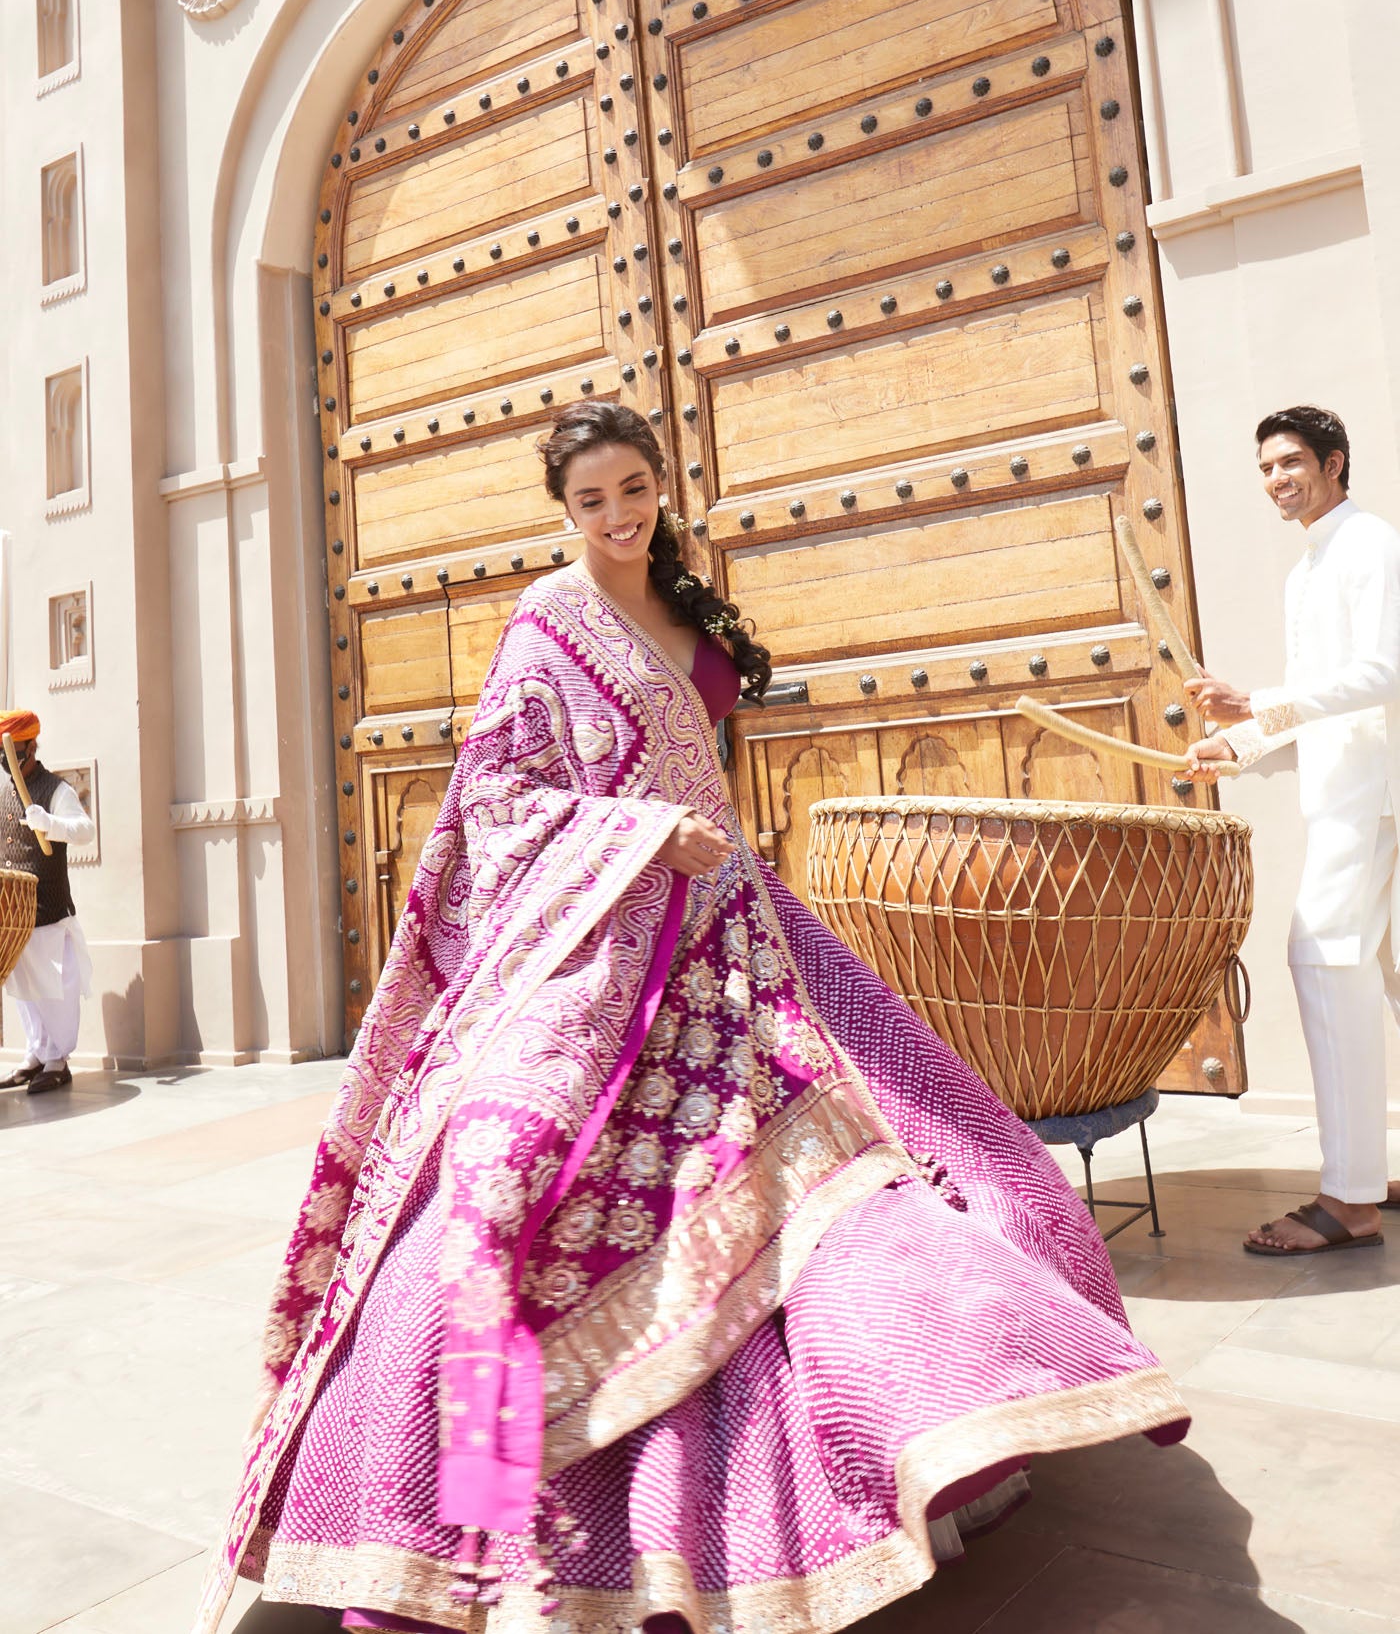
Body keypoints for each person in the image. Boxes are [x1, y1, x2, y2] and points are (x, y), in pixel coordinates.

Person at [197, 401, 1186, 1634]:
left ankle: (923, 1426)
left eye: (632, 491)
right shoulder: (547, 626)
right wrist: (636, 834)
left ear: (661, 485)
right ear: (562, 513)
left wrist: (699, 841)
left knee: (899, 1152)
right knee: (501, 1183)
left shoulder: (690, 600)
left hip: (739, 929)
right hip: (601, 942)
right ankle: (467, 1526)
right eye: (590, 501)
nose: (616, 518)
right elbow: (494, 794)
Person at [1186, 406, 1400, 1256]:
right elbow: (1319, 696)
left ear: (1335, 462)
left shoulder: (1371, 544)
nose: (1277, 479)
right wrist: (1236, 741)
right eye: (1266, 468)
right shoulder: (1306, 570)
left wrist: (1261, 706)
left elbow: (1384, 671)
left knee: (1320, 956)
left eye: (1292, 462)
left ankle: (1347, 1201)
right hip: (1352, 791)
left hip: (1375, 797)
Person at [0, 708, 94, 1095]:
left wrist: (51, 825)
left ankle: (58, 1060)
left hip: (49, 908)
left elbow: (85, 830)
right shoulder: (4, 787)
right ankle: (36, 1053)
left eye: (13, 754)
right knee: (23, 986)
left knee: (54, 988)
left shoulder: (56, 789)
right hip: (13, 913)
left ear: (30, 748)